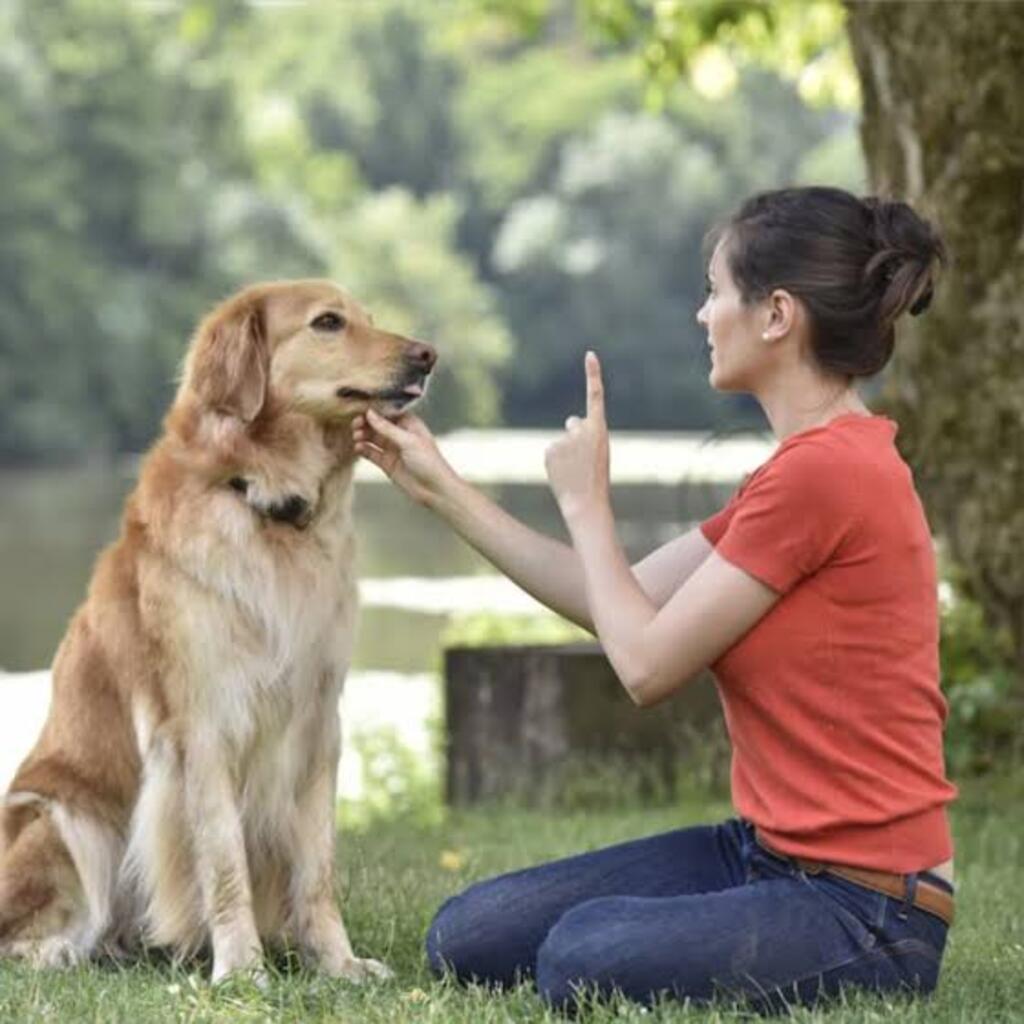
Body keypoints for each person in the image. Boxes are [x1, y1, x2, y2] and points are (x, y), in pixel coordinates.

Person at [351, 186, 957, 1013]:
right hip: (768, 855)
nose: (702, 315)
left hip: (872, 908)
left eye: (714, 291)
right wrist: (441, 490)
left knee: (581, 958)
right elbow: (622, 602)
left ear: (777, 314)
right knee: (468, 935)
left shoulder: (827, 475)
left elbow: (641, 666)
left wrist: (589, 504)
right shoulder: (798, 471)